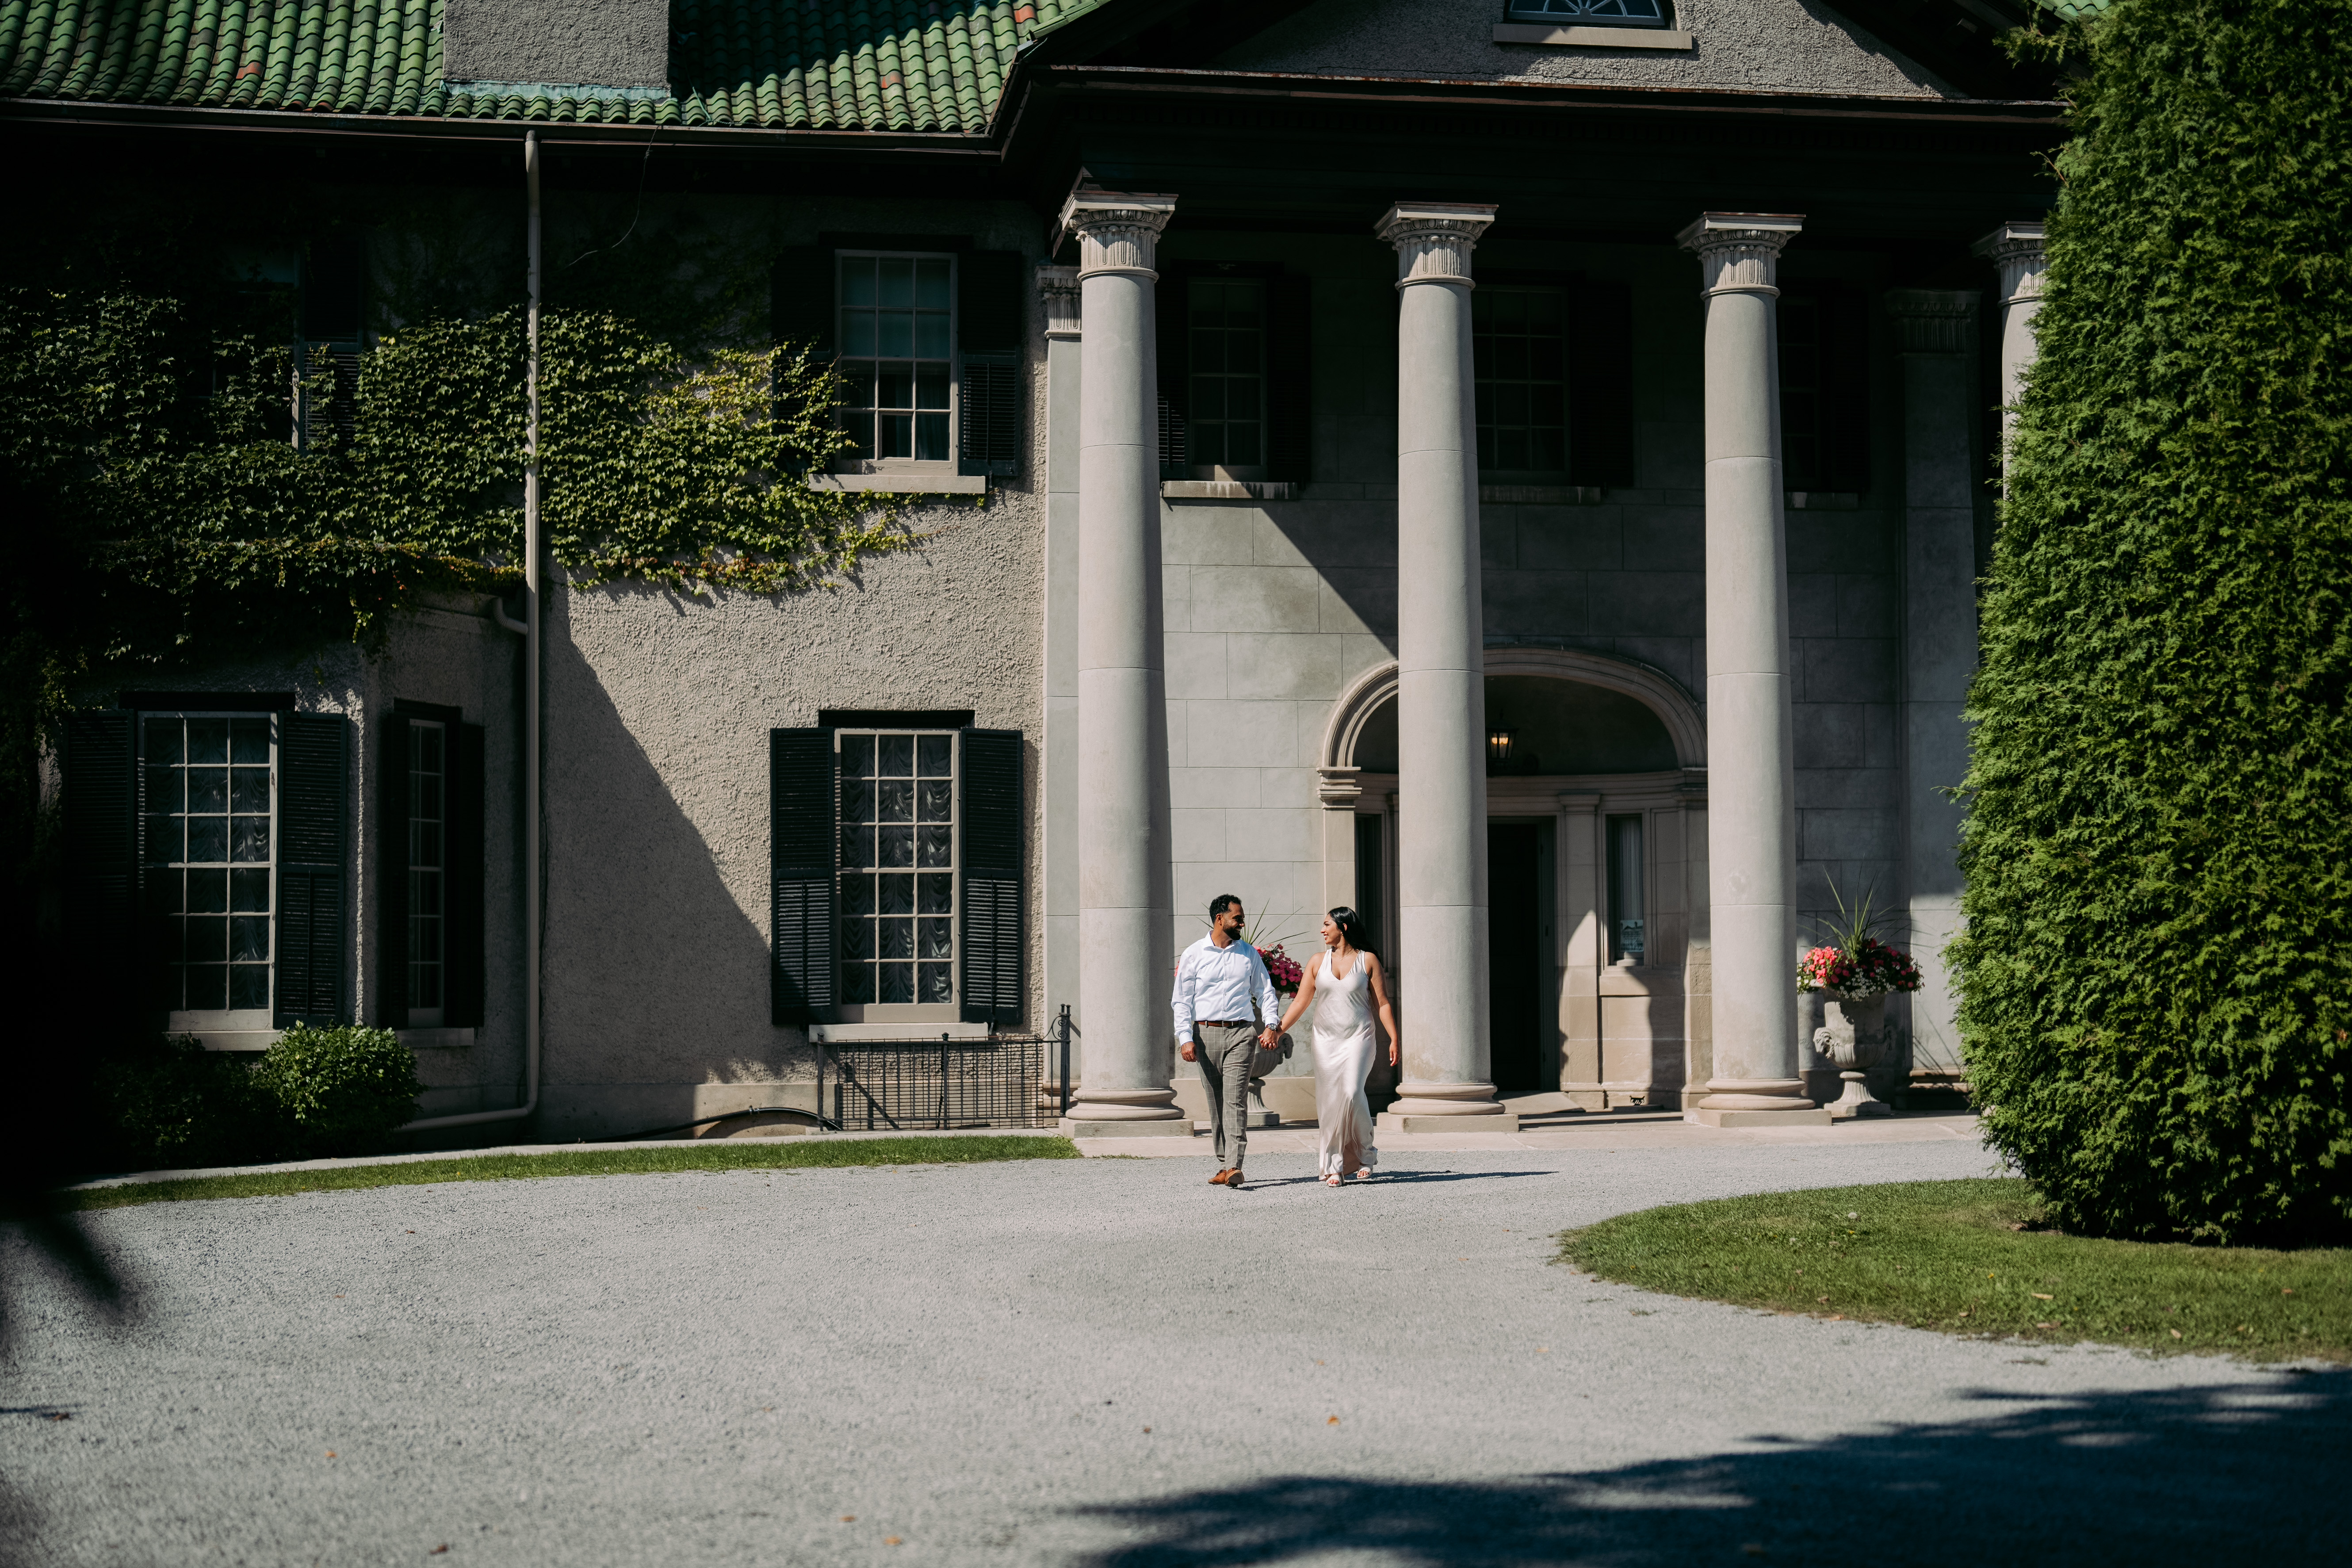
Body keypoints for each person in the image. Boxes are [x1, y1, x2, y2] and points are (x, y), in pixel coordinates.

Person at [1272, 907, 1399, 1187]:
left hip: (1359, 1038)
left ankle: (1366, 1154)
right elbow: (1301, 1002)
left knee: (1352, 1093)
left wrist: (1394, 1038)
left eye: (1327, 925)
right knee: (1330, 1102)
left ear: (1343, 928)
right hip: (1325, 1040)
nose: (1323, 930)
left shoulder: (1368, 960)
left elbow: (1382, 1003)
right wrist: (1277, 1030)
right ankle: (1334, 1166)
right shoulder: (1317, 961)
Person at [1171, 894, 1282, 1189]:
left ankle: (1234, 1165)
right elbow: (1181, 1000)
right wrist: (1185, 1038)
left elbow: (1265, 991)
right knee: (1216, 1101)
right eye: (1238, 918)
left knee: (1235, 1100)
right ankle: (1224, 1162)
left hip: (1241, 1034)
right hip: (1205, 1034)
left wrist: (1271, 1024)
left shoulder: (1248, 954)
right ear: (1220, 919)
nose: (1242, 923)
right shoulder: (1194, 954)